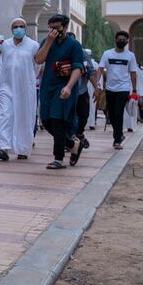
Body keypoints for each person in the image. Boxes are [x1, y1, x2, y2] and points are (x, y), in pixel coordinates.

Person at [35, 14, 84, 169]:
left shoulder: (74, 45)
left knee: (58, 120)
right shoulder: (46, 42)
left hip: (63, 87)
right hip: (47, 86)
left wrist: (69, 87)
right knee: (46, 121)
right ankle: (72, 144)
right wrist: (49, 41)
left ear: (65, 27)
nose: (54, 31)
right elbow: (38, 59)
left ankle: (58, 158)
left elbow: (78, 68)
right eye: (51, 28)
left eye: (57, 28)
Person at [0, 18, 39, 161]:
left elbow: (37, 66)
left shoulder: (33, 45)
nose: (18, 29)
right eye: (15, 26)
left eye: (21, 26)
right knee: (5, 115)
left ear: (25, 28)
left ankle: (23, 149)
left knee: (24, 117)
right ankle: (4, 148)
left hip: (25, 88)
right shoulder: (5, 44)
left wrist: (29, 80)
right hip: (6, 86)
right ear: (11, 29)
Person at [98, 31, 137, 150]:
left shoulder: (130, 56)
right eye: (119, 39)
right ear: (115, 40)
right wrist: (97, 86)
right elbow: (100, 69)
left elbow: (133, 73)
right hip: (110, 88)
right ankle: (119, 134)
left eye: (124, 40)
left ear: (127, 41)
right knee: (111, 114)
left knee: (118, 113)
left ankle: (117, 140)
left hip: (123, 88)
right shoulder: (107, 54)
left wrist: (134, 90)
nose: (121, 41)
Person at [68, 38, 98, 156]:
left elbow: (90, 71)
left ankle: (79, 134)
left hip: (81, 90)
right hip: (66, 91)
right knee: (68, 117)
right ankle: (72, 142)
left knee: (83, 115)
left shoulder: (82, 53)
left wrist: (96, 88)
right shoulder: (60, 51)